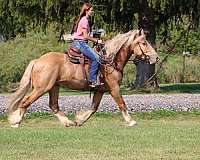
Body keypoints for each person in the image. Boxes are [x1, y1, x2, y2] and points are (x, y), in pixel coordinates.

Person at [71, 3, 103, 88]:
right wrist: (97, 41)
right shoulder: (85, 20)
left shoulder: (84, 19)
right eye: (91, 10)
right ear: (86, 10)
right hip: (81, 43)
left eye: (93, 10)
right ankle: (92, 80)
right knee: (97, 58)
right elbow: (85, 36)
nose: (93, 12)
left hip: (80, 42)